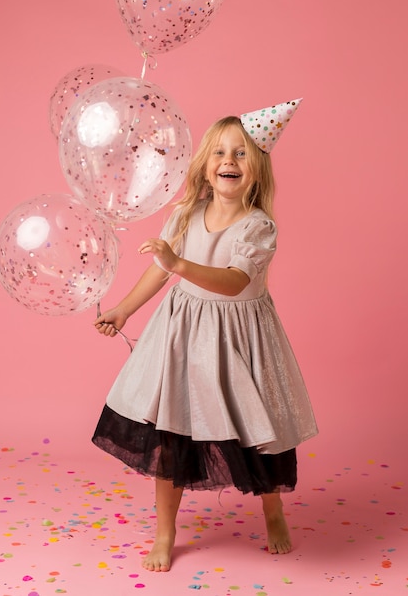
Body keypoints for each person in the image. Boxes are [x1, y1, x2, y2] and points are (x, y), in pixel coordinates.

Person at [92, 99, 318, 572]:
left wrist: (179, 265)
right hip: (183, 336)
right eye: (219, 153)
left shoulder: (258, 227)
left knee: (259, 430)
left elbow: (234, 280)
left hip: (240, 339)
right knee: (171, 432)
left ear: (256, 169)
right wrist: (123, 310)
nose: (228, 162)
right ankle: (165, 531)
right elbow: (159, 274)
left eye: (240, 154)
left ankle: (273, 510)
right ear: (205, 165)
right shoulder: (185, 215)